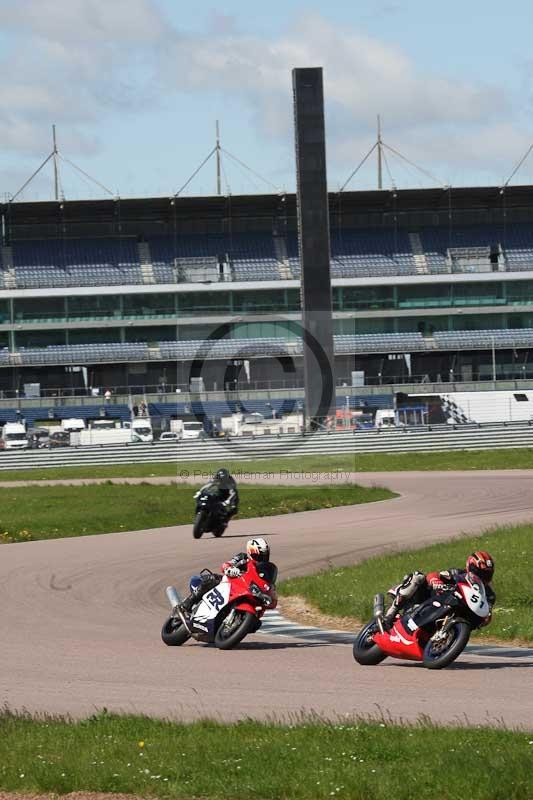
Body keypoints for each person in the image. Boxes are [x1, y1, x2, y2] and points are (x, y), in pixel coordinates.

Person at [383, 550, 496, 627]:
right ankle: (391, 613)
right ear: (469, 567)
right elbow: (435, 575)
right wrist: (436, 581)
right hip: (430, 598)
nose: (481, 576)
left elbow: (487, 614)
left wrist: (486, 618)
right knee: (418, 576)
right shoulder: (457, 573)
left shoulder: (489, 594)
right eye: (478, 572)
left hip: (454, 612)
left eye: (486, 574)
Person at [178, 537, 275, 614]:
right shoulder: (242, 557)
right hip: (230, 583)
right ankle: (186, 605)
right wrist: (230, 569)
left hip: (246, 590)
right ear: (250, 552)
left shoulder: (265, 568)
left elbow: (267, 582)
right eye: (259, 556)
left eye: (264, 555)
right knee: (213, 579)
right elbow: (226, 565)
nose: (262, 558)